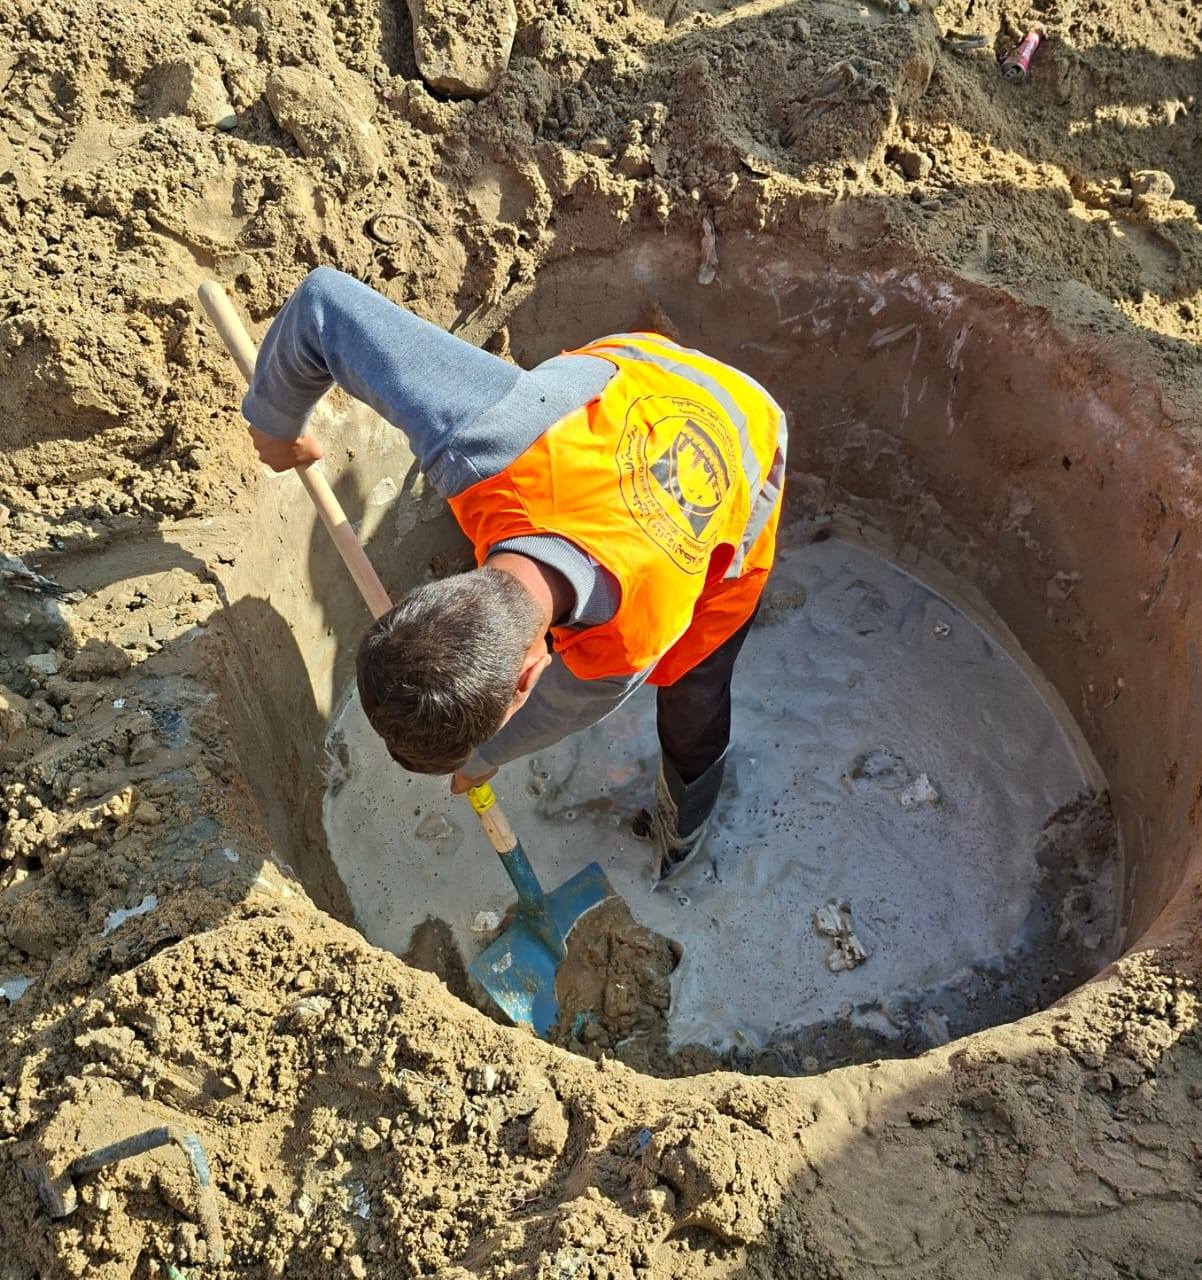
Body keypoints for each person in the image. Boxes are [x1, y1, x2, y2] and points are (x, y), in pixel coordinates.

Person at [241, 267, 787, 883]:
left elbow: (561, 709)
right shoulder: (480, 436)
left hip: (745, 436)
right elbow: (324, 306)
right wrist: (274, 422)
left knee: (694, 683)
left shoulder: (632, 638)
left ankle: (684, 828)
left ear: (529, 673)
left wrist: (485, 755)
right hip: (607, 413)